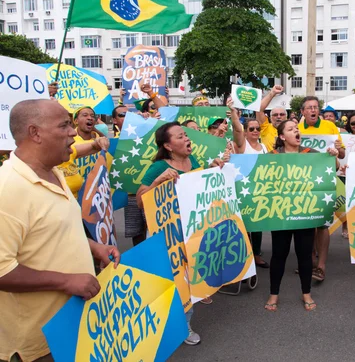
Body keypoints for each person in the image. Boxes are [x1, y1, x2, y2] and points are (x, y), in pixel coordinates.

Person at [0, 100, 120, 362]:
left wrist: (94, 247)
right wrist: (66, 281)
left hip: (75, 324)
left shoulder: (54, 171)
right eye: (65, 125)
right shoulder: (7, 189)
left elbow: (56, 230)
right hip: (40, 343)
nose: (73, 132)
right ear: (35, 133)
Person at [137, 121, 224, 345]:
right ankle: (157, 322)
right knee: (167, 279)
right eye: (180, 136)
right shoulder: (158, 167)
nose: (187, 139)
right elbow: (139, 200)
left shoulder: (193, 161)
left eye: (186, 135)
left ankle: (184, 323)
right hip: (166, 236)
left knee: (187, 279)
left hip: (191, 233)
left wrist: (213, 170)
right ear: (167, 145)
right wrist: (157, 181)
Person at [264, 120, 339, 312]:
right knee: (278, 255)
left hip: (305, 214)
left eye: (297, 128)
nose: (296, 131)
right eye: (290, 129)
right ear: (282, 137)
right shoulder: (272, 156)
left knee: (304, 255)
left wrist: (334, 156)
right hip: (281, 214)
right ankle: (274, 294)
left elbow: (333, 167)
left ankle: (306, 293)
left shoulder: (311, 154)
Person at [298, 96, 345, 282]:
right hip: (302, 184)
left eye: (315, 107)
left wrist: (339, 149)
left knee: (323, 225)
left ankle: (321, 265)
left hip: (324, 181)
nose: (313, 110)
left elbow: (341, 154)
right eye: (309, 107)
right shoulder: (298, 129)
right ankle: (308, 261)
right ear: (302, 112)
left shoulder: (330, 127)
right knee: (306, 224)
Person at [228, 99, 269, 269]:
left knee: (257, 223)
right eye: (251, 128)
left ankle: (257, 254)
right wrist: (234, 115)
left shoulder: (265, 146)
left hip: (260, 189)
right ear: (245, 131)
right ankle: (245, 257)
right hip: (243, 189)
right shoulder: (242, 144)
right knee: (243, 224)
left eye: (257, 128)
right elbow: (237, 129)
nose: (255, 131)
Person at [257, 85, 286, 151]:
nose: (279, 117)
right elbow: (259, 109)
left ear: (286, 117)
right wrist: (272, 93)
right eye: (275, 115)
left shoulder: (292, 129)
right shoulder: (265, 127)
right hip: (268, 160)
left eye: (282, 114)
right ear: (270, 118)